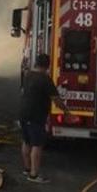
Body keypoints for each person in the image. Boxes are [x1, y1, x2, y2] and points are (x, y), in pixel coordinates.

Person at [19, 53, 69, 183]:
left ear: (36, 63)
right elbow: (56, 100)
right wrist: (67, 112)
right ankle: (34, 175)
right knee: (37, 144)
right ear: (48, 65)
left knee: (26, 141)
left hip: (23, 113)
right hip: (36, 115)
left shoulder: (28, 75)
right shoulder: (45, 79)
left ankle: (27, 169)